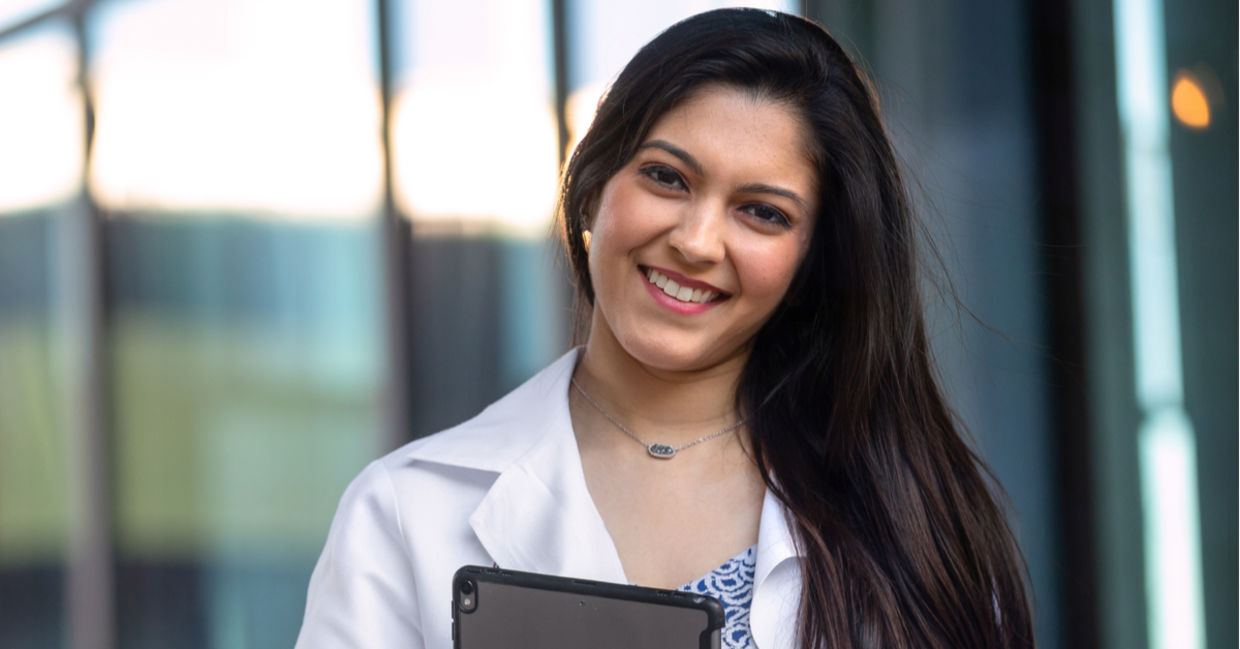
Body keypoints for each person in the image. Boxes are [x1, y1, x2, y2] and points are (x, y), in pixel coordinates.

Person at [295, 8, 1035, 649]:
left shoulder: (915, 534)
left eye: (763, 212)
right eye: (667, 177)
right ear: (593, 188)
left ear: (812, 261)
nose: (697, 239)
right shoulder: (404, 512)